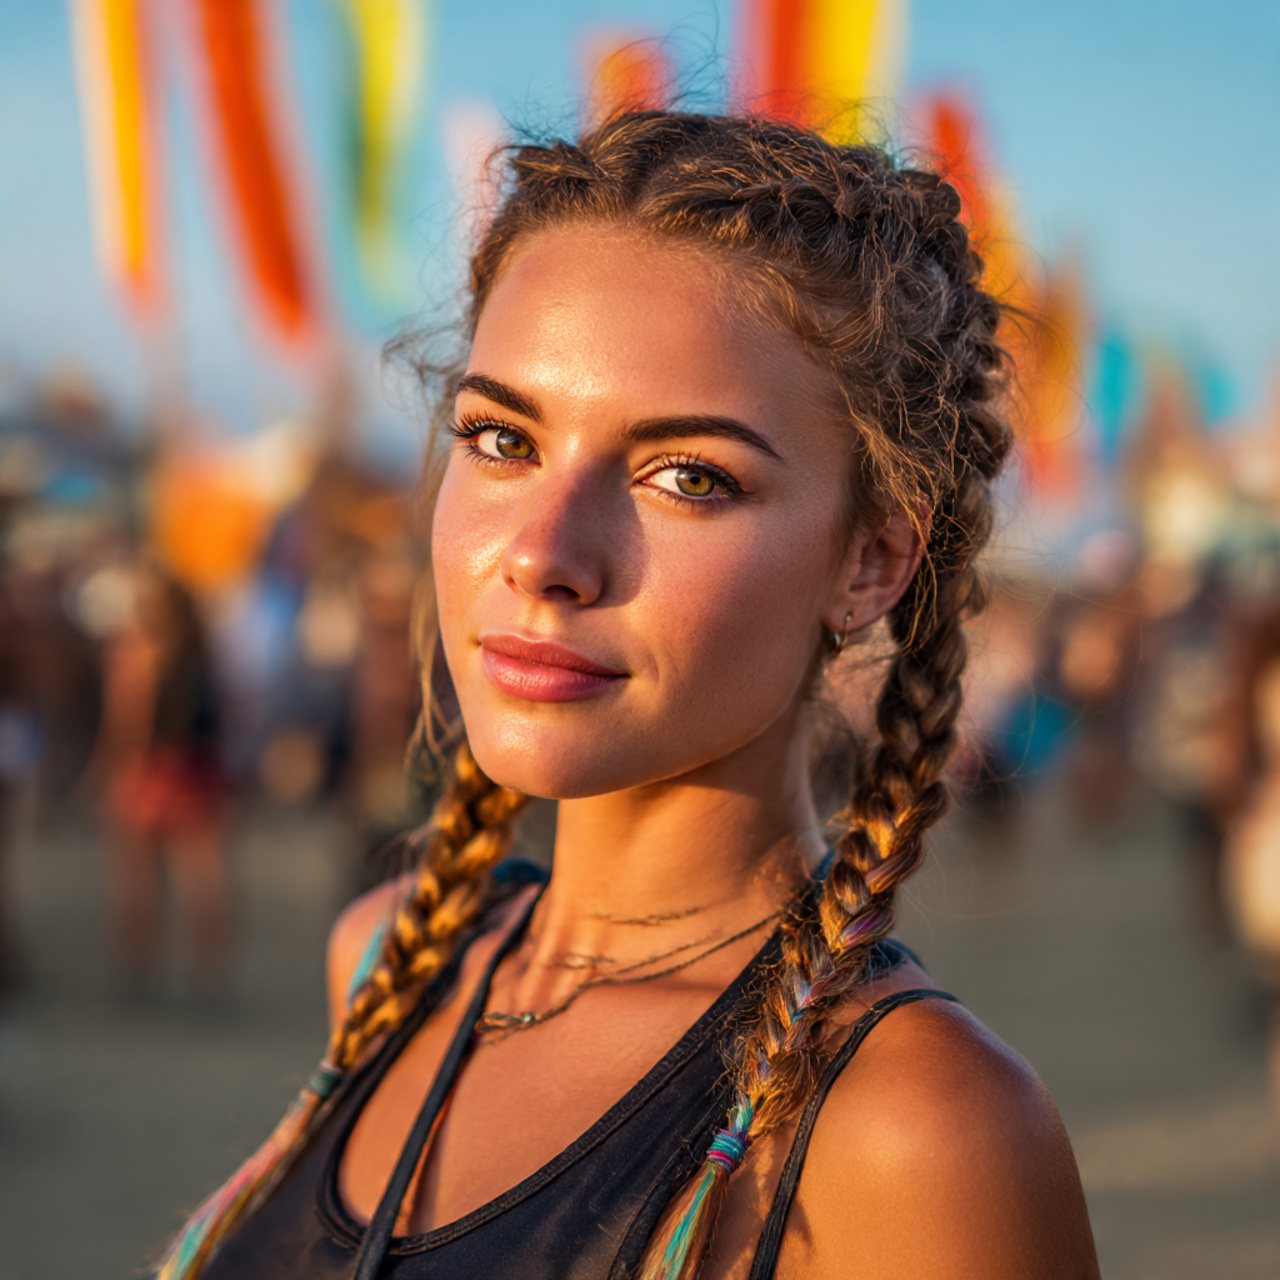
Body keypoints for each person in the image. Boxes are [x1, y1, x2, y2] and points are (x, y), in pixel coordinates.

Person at [158, 110, 1099, 1280]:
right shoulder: (395, 956)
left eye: (687, 476)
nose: (544, 553)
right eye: (502, 439)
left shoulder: (913, 1125)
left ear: (868, 560)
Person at [88, 562, 230, 992]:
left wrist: (103, 772)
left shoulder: (135, 651)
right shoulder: (199, 649)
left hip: (147, 772)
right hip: (195, 769)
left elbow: (127, 721)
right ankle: (208, 970)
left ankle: (139, 971)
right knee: (201, 879)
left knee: (137, 879)